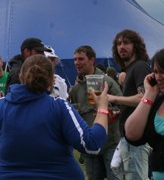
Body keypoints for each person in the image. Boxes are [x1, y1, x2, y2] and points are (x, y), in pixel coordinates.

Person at [0, 54, 110, 180]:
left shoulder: (0, 107)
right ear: (52, 79)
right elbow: (92, 144)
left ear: (21, 77)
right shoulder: (58, 106)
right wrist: (102, 108)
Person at [68, 45, 123, 180]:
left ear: (92, 60)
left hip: (110, 143)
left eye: (81, 59)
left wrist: (112, 112)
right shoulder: (75, 90)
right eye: (75, 59)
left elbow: (122, 105)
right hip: (90, 147)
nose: (76, 63)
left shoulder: (107, 82)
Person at [108, 29, 152, 179]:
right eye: (119, 44)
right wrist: (120, 112)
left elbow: (144, 98)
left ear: (136, 45)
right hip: (128, 137)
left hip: (137, 140)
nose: (121, 47)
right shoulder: (129, 69)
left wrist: (114, 98)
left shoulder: (140, 66)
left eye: (126, 43)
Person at [125, 48, 164, 180]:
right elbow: (131, 134)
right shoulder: (158, 102)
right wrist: (149, 94)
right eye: (156, 72)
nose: (159, 77)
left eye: (163, 72)